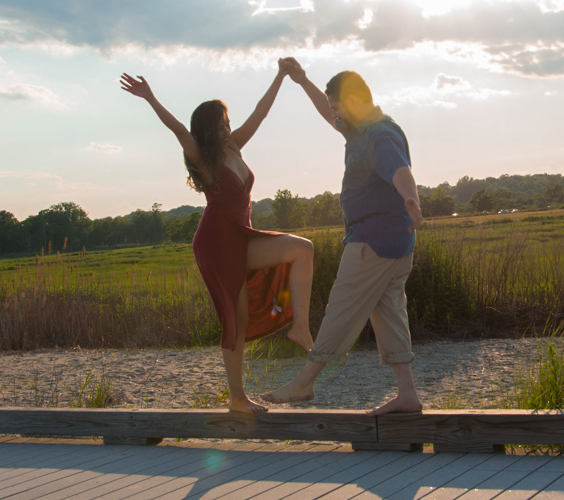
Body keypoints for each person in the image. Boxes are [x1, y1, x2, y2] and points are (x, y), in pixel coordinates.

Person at [120, 63, 315, 414]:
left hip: (241, 235)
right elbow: (178, 129)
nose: (227, 130)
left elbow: (260, 112)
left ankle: (299, 325)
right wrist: (150, 97)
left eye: (228, 123)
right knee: (235, 319)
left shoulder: (236, 145)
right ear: (208, 130)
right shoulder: (203, 158)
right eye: (221, 125)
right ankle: (237, 397)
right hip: (217, 242)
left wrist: (281, 77)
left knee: (301, 250)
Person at [263, 59, 424, 417]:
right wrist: (303, 80)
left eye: (338, 106)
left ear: (352, 101)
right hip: (395, 243)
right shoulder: (361, 129)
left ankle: (304, 382)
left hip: (373, 241)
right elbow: (326, 113)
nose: (335, 114)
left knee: (341, 308)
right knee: (390, 312)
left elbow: (400, 170)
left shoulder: (380, 134)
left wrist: (411, 198)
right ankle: (408, 394)